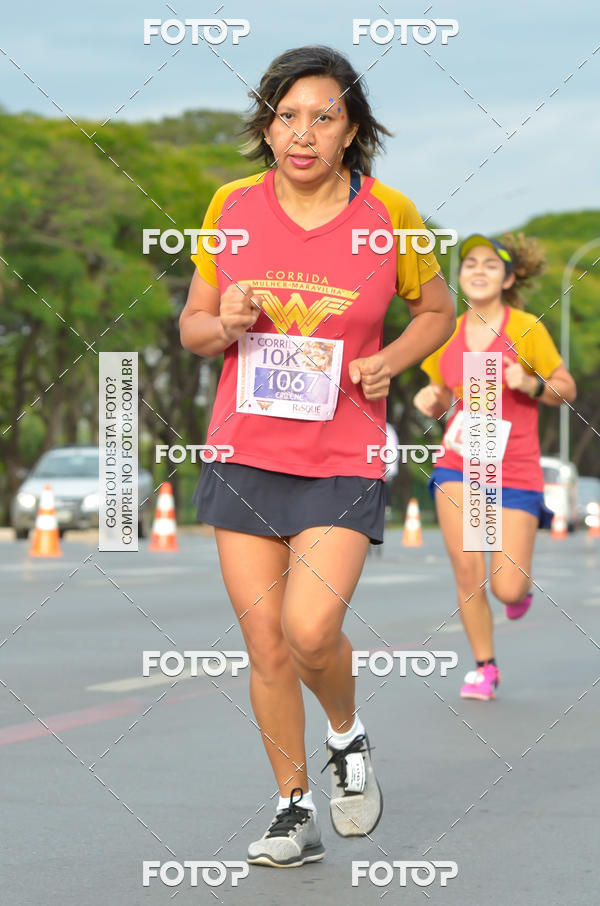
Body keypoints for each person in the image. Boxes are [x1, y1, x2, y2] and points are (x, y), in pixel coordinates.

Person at [180, 45, 455, 867]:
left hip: (343, 447)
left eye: (323, 116)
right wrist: (223, 321)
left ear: (351, 131)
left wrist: (393, 362)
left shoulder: (389, 215)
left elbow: (434, 311)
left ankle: (347, 732)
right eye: (286, 116)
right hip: (244, 447)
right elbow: (194, 331)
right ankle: (292, 809)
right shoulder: (229, 206)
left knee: (309, 628)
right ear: (266, 130)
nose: (302, 133)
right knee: (265, 644)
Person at [414, 233, 576, 701]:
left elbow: (565, 388)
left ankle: (518, 594)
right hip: (459, 464)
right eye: (470, 264)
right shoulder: (446, 332)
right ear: (460, 277)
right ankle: (485, 667)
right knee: (467, 569)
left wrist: (531, 381)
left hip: (514, 469)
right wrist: (432, 399)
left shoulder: (526, 328)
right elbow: (440, 391)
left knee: (506, 588)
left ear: (507, 278)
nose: (478, 271)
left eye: (490, 265)